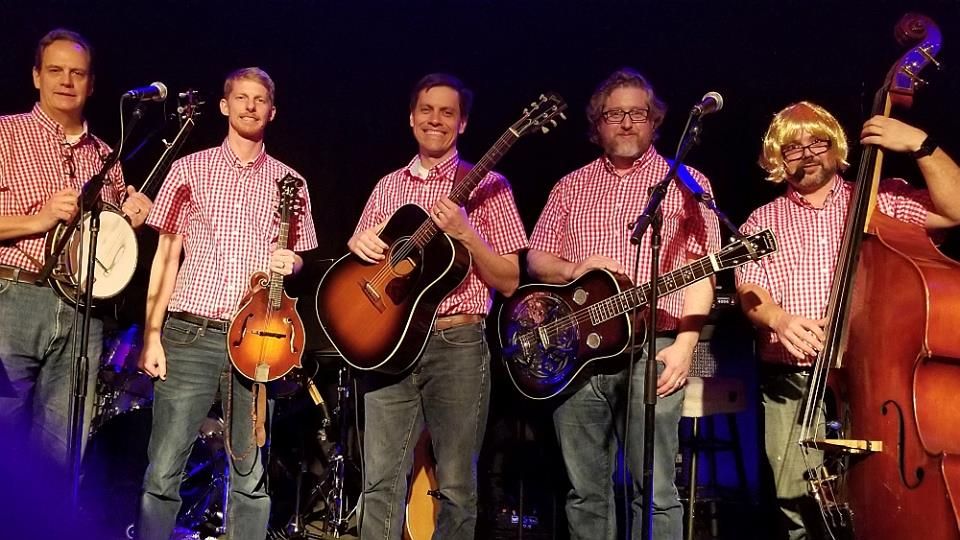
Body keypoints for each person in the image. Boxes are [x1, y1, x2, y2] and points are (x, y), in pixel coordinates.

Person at [734, 101, 960, 540]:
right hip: (795, 381)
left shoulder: (881, 200)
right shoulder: (761, 221)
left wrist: (919, 144)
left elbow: (956, 210)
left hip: (876, 386)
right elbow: (750, 292)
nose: (808, 153)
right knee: (796, 506)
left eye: (818, 141)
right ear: (777, 160)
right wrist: (778, 318)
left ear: (836, 147)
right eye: (793, 147)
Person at [526, 68, 721, 540]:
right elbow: (536, 259)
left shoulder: (688, 183)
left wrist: (686, 344)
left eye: (638, 113)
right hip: (578, 355)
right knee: (584, 492)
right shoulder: (570, 186)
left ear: (655, 121)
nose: (627, 123)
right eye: (615, 114)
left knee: (653, 492)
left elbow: (704, 270)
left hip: (653, 348)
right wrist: (576, 271)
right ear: (598, 125)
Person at [136, 67, 317, 540]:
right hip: (189, 332)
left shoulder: (291, 181)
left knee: (250, 477)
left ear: (272, 111)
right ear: (224, 105)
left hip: (257, 340)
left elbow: (300, 261)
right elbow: (165, 257)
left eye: (260, 99)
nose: (250, 106)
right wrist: (151, 335)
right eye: (241, 97)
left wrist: (291, 262)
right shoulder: (188, 168)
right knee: (164, 470)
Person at [347, 72, 527, 539]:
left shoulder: (490, 185)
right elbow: (361, 262)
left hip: (457, 343)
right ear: (411, 118)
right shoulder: (389, 186)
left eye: (448, 113)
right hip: (389, 346)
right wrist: (360, 242)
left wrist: (468, 233)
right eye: (427, 110)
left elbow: (509, 281)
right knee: (379, 482)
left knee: (456, 485)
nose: (436, 120)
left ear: (462, 124)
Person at [0, 28, 152, 467]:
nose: (66, 81)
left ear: (91, 84)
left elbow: (114, 247)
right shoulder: (6, 135)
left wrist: (132, 219)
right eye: (55, 71)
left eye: (77, 73)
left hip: (83, 313)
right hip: (14, 300)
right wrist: (37, 220)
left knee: (61, 447)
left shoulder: (105, 155)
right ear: (35, 77)